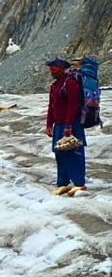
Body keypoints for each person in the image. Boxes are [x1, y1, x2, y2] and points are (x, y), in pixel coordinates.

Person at [46, 58, 87, 194]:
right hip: (58, 125)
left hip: (72, 124)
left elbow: (73, 105)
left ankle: (79, 183)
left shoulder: (70, 83)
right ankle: (63, 183)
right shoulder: (54, 85)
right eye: (50, 69)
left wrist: (69, 125)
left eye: (54, 69)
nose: (51, 72)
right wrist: (49, 124)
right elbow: (51, 106)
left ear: (62, 68)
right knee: (60, 153)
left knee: (75, 153)